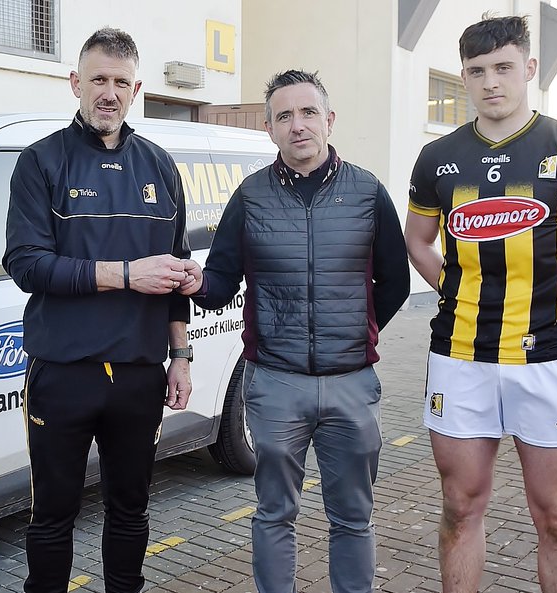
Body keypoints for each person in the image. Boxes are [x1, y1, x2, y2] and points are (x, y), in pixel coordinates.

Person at [404, 15, 557, 593]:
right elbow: (417, 241)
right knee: (460, 506)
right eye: (477, 71)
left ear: (529, 68)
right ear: (463, 78)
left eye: (504, 67)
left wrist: (554, 307)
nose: (491, 83)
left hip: (551, 360)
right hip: (460, 359)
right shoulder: (438, 159)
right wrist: (458, 295)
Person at [188, 69, 410, 593]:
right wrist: (192, 281)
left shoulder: (367, 191)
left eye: (308, 112)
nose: (298, 125)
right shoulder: (250, 196)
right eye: (284, 116)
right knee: (273, 514)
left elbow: (395, 282)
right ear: (270, 129)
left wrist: (356, 333)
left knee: (353, 517)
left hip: (351, 384)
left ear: (329, 121)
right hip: (275, 386)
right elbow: (220, 281)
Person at [3, 27, 202, 593]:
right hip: (63, 373)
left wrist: (181, 356)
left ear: (135, 89)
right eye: (97, 80)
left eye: (120, 82)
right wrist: (124, 275)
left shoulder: (160, 166)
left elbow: (175, 270)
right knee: (53, 514)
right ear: (75, 84)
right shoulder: (41, 162)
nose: (108, 93)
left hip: (139, 376)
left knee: (130, 510)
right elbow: (26, 265)